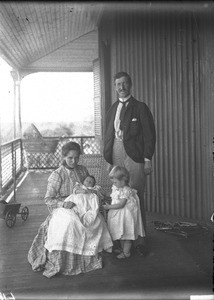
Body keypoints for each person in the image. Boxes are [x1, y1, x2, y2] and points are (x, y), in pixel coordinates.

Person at [28, 141, 113, 278]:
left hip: (83, 204)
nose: (74, 161)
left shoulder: (82, 170)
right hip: (64, 207)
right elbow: (48, 199)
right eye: (70, 158)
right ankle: (66, 259)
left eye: (76, 157)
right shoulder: (57, 175)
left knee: (95, 219)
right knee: (71, 223)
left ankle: (94, 250)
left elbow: (89, 187)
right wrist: (63, 204)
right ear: (63, 157)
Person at [103, 71, 156, 256]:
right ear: (115, 87)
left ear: (130, 85)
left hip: (135, 156)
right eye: (118, 84)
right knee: (118, 196)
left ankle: (140, 240)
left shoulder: (140, 107)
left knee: (136, 196)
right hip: (117, 153)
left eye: (125, 83)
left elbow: (150, 135)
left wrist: (147, 159)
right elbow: (108, 135)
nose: (122, 87)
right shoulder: (112, 109)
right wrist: (109, 159)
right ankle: (121, 238)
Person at [103, 166, 145, 259]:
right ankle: (123, 249)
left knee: (126, 235)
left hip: (125, 216)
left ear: (123, 180)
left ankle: (126, 253)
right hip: (119, 216)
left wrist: (109, 207)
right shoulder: (117, 187)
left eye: (115, 182)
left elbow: (121, 204)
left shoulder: (126, 190)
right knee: (121, 234)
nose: (113, 183)